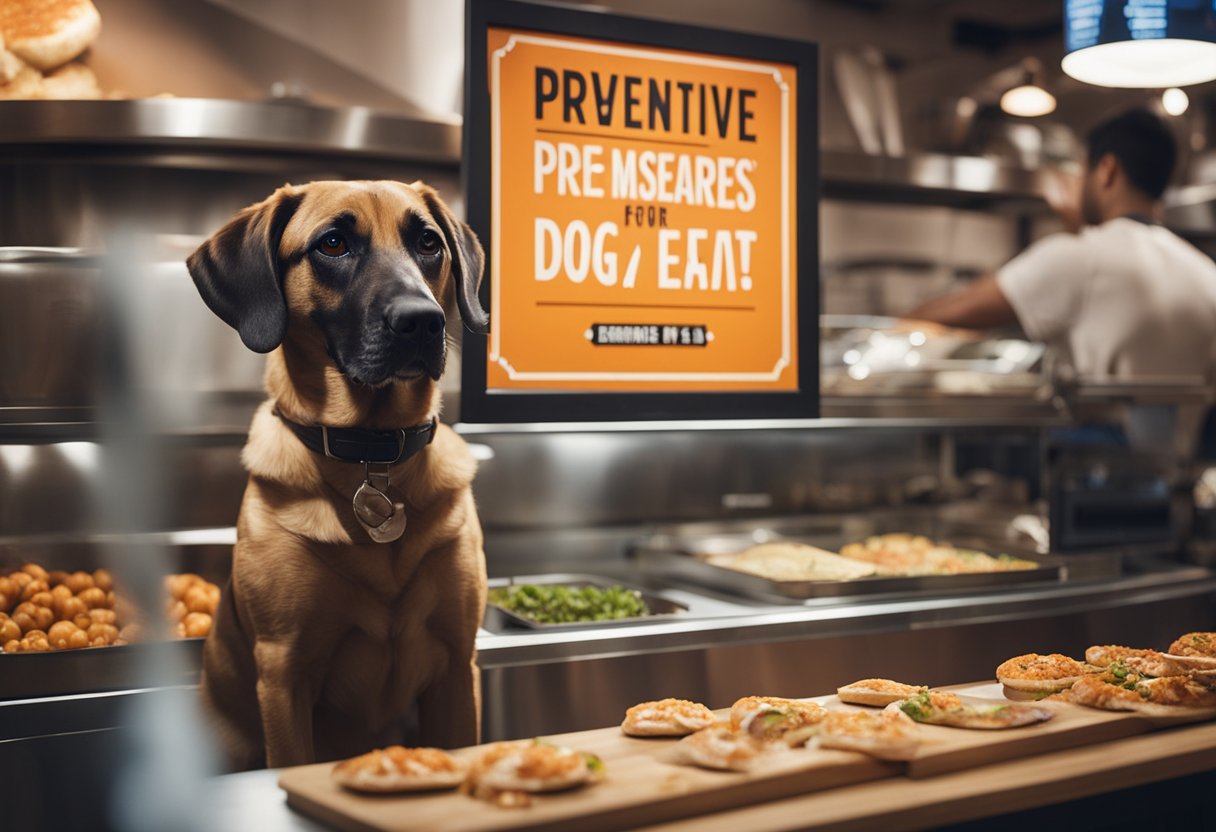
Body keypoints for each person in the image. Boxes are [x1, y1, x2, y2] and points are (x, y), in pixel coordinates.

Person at [907, 108, 1216, 383]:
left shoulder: (1078, 257)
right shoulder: (1206, 272)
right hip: (1189, 450)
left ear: (1107, 169)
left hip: (1093, 446)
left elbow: (938, 315)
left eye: (1083, 171)